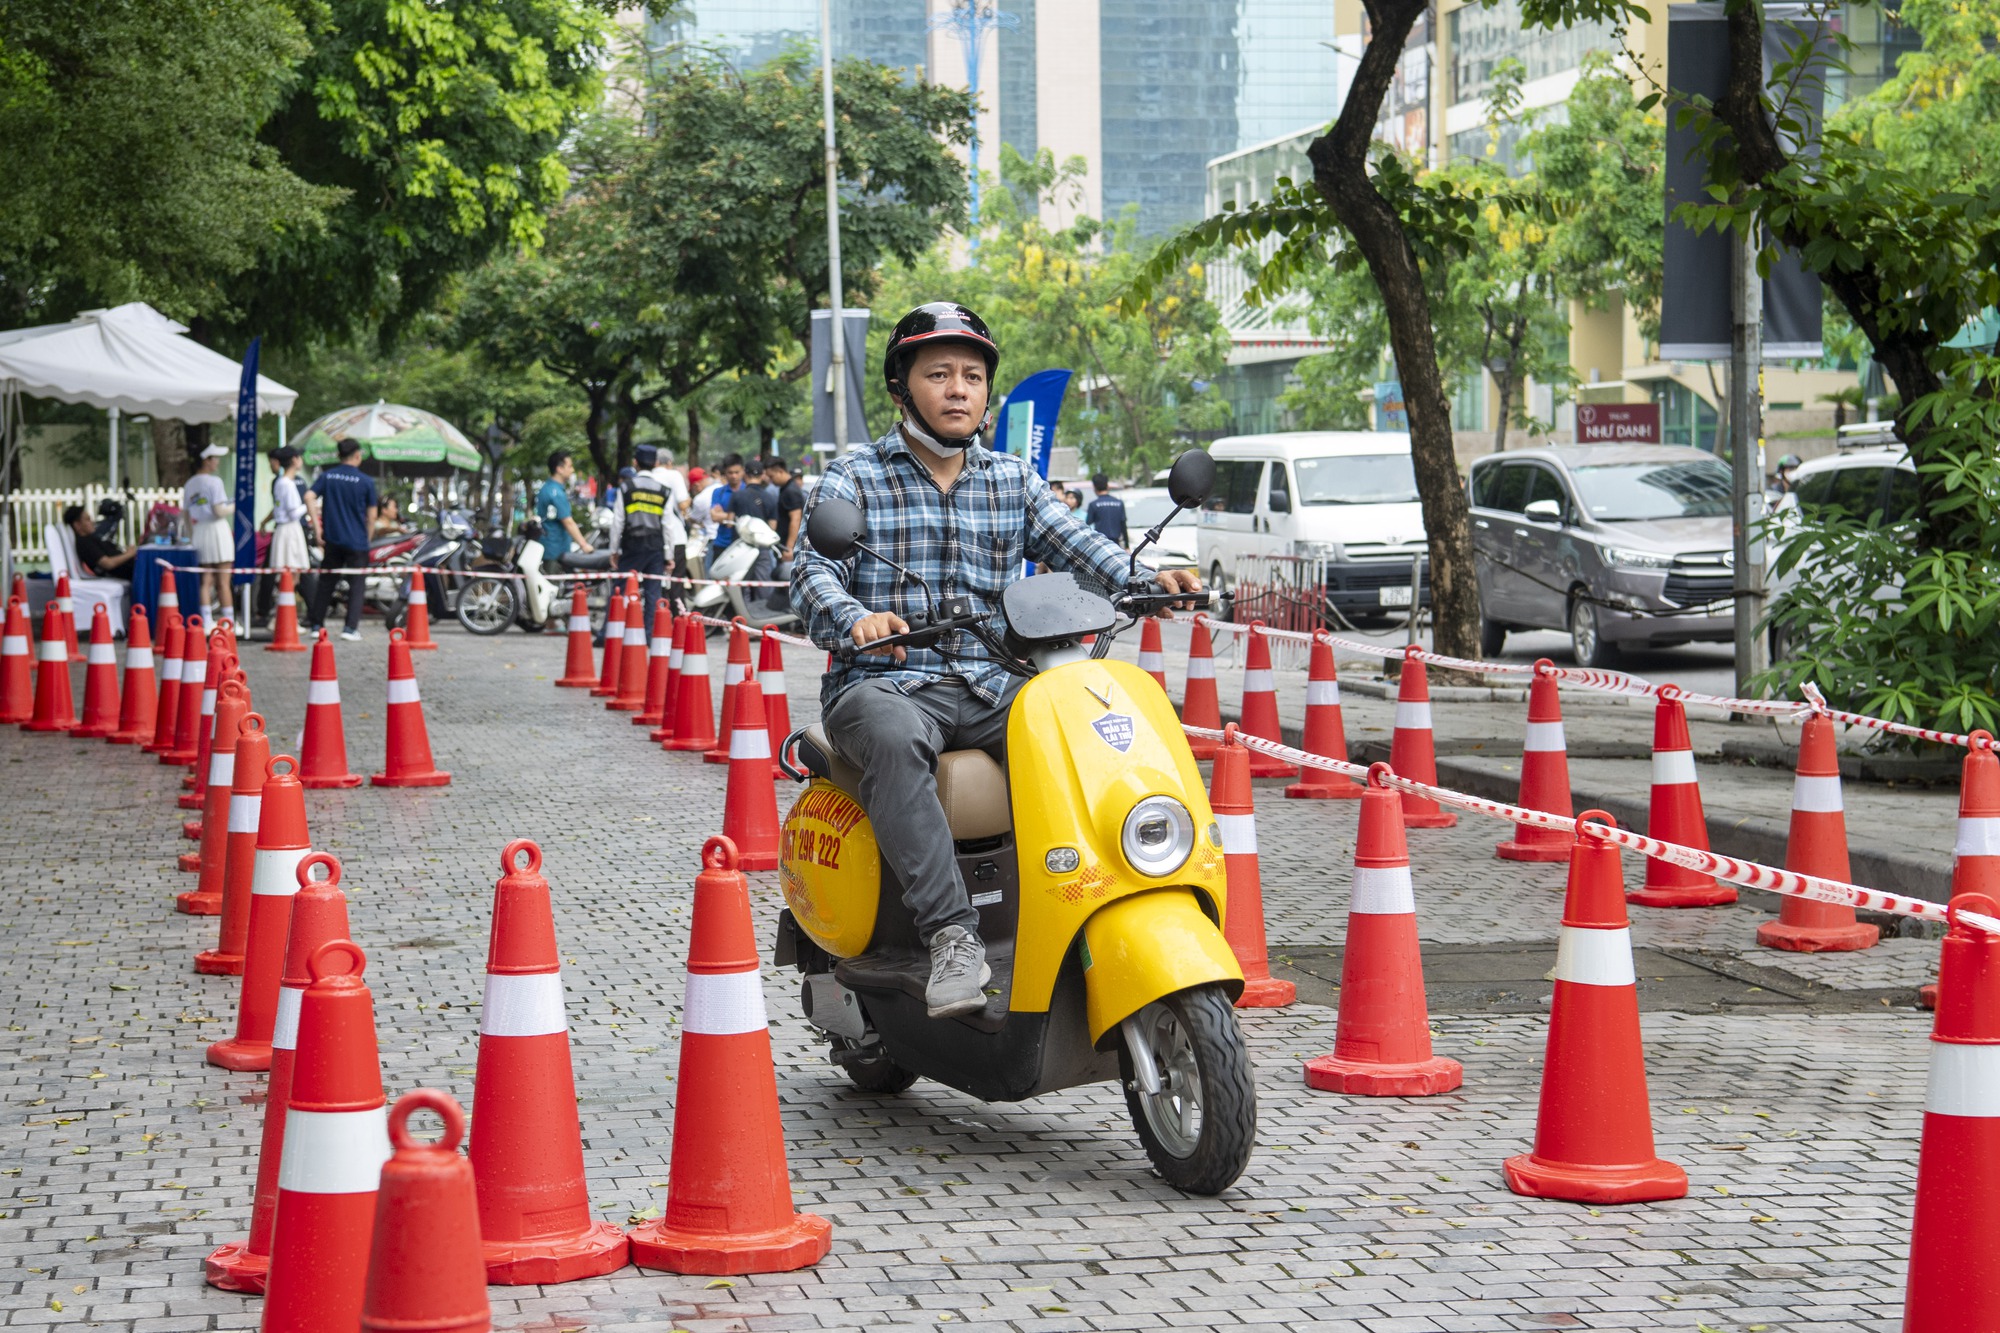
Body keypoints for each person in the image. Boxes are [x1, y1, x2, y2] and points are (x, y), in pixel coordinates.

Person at [793, 302, 1200, 1019]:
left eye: (973, 376)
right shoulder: (852, 475)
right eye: (939, 374)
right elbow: (811, 572)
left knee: (1083, 720)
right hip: (884, 680)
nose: (958, 389)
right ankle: (952, 935)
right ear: (900, 388)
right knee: (891, 734)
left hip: (992, 680)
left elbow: (1079, 546)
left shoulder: (1011, 479)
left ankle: (1083, 899)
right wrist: (856, 618)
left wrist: (1148, 579)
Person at [305, 439, 379, 641]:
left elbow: (309, 496)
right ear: (357, 455)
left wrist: (317, 526)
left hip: (332, 539)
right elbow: (372, 516)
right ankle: (350, 629)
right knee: (357, 584)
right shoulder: (366, 481)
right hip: (357, 541)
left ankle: (316, 625)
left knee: (326, 582)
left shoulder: (328, 477)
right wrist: (367, 537)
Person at [611, 443, 676, 633]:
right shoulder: (664, 490)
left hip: (632, 545)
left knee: (620, 590)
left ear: (635, 463)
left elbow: (618, 522)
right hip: (656, 547)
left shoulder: (626, 488)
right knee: (653, 593)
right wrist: (669, 555)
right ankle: (649, 635)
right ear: (656, 463)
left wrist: (614, 551)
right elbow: (668, 525)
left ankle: (610, 633)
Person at [182, 442, 237, 627]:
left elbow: (186, 513)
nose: (217, 462)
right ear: (206, 460)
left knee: (206, 579)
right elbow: (219, 511)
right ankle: (228, 620)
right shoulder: (214, 482)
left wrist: (191, 536)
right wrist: (237, 506)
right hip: (217, 531)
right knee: (223, 580)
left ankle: (206, 620)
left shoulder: (190, 483)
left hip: (200, 532)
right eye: (215, 458)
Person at [729, 452, 782, 585]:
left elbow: (729, 522)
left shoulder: (737, 496)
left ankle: (743, 606)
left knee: (742, 582)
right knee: (763, 582)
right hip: (763, 547)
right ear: (762, 475)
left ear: (745, 475)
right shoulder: (770, 498)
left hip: (741, 546)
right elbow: (773, 527)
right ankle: (760, 605)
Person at [536, 450, 593, 571]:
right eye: (570, 466)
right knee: (555, 586)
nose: (572, 470)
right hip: (555, 549)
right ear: (559, 469)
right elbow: (568, 522)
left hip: (552, 547)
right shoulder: (556, 493)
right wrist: (584, 545)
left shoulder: (548, 488)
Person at [266, 447, 310, 574]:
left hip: (283, 529)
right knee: (291, 573)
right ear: (294, 460)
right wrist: (310, 505)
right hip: (290, 530)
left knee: (288, 572)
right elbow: (293, 513)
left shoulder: (280, 482)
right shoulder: (288, 484)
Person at [66, 504, 134, 579]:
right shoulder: (85, 543)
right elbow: (108, 563)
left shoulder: (89, 538)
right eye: (88, 519)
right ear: (77, 525)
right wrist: (130, 554)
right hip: (130, 571)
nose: (92, 522)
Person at [1085, 472, 1128, 547]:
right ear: (1107, 486)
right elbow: (1123, 525)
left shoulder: (1093, 505)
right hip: (1116, 543)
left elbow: (1087, 523)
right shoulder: (1119, 503)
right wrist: (1127, 546)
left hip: (1101, 544)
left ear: (1094, 487)